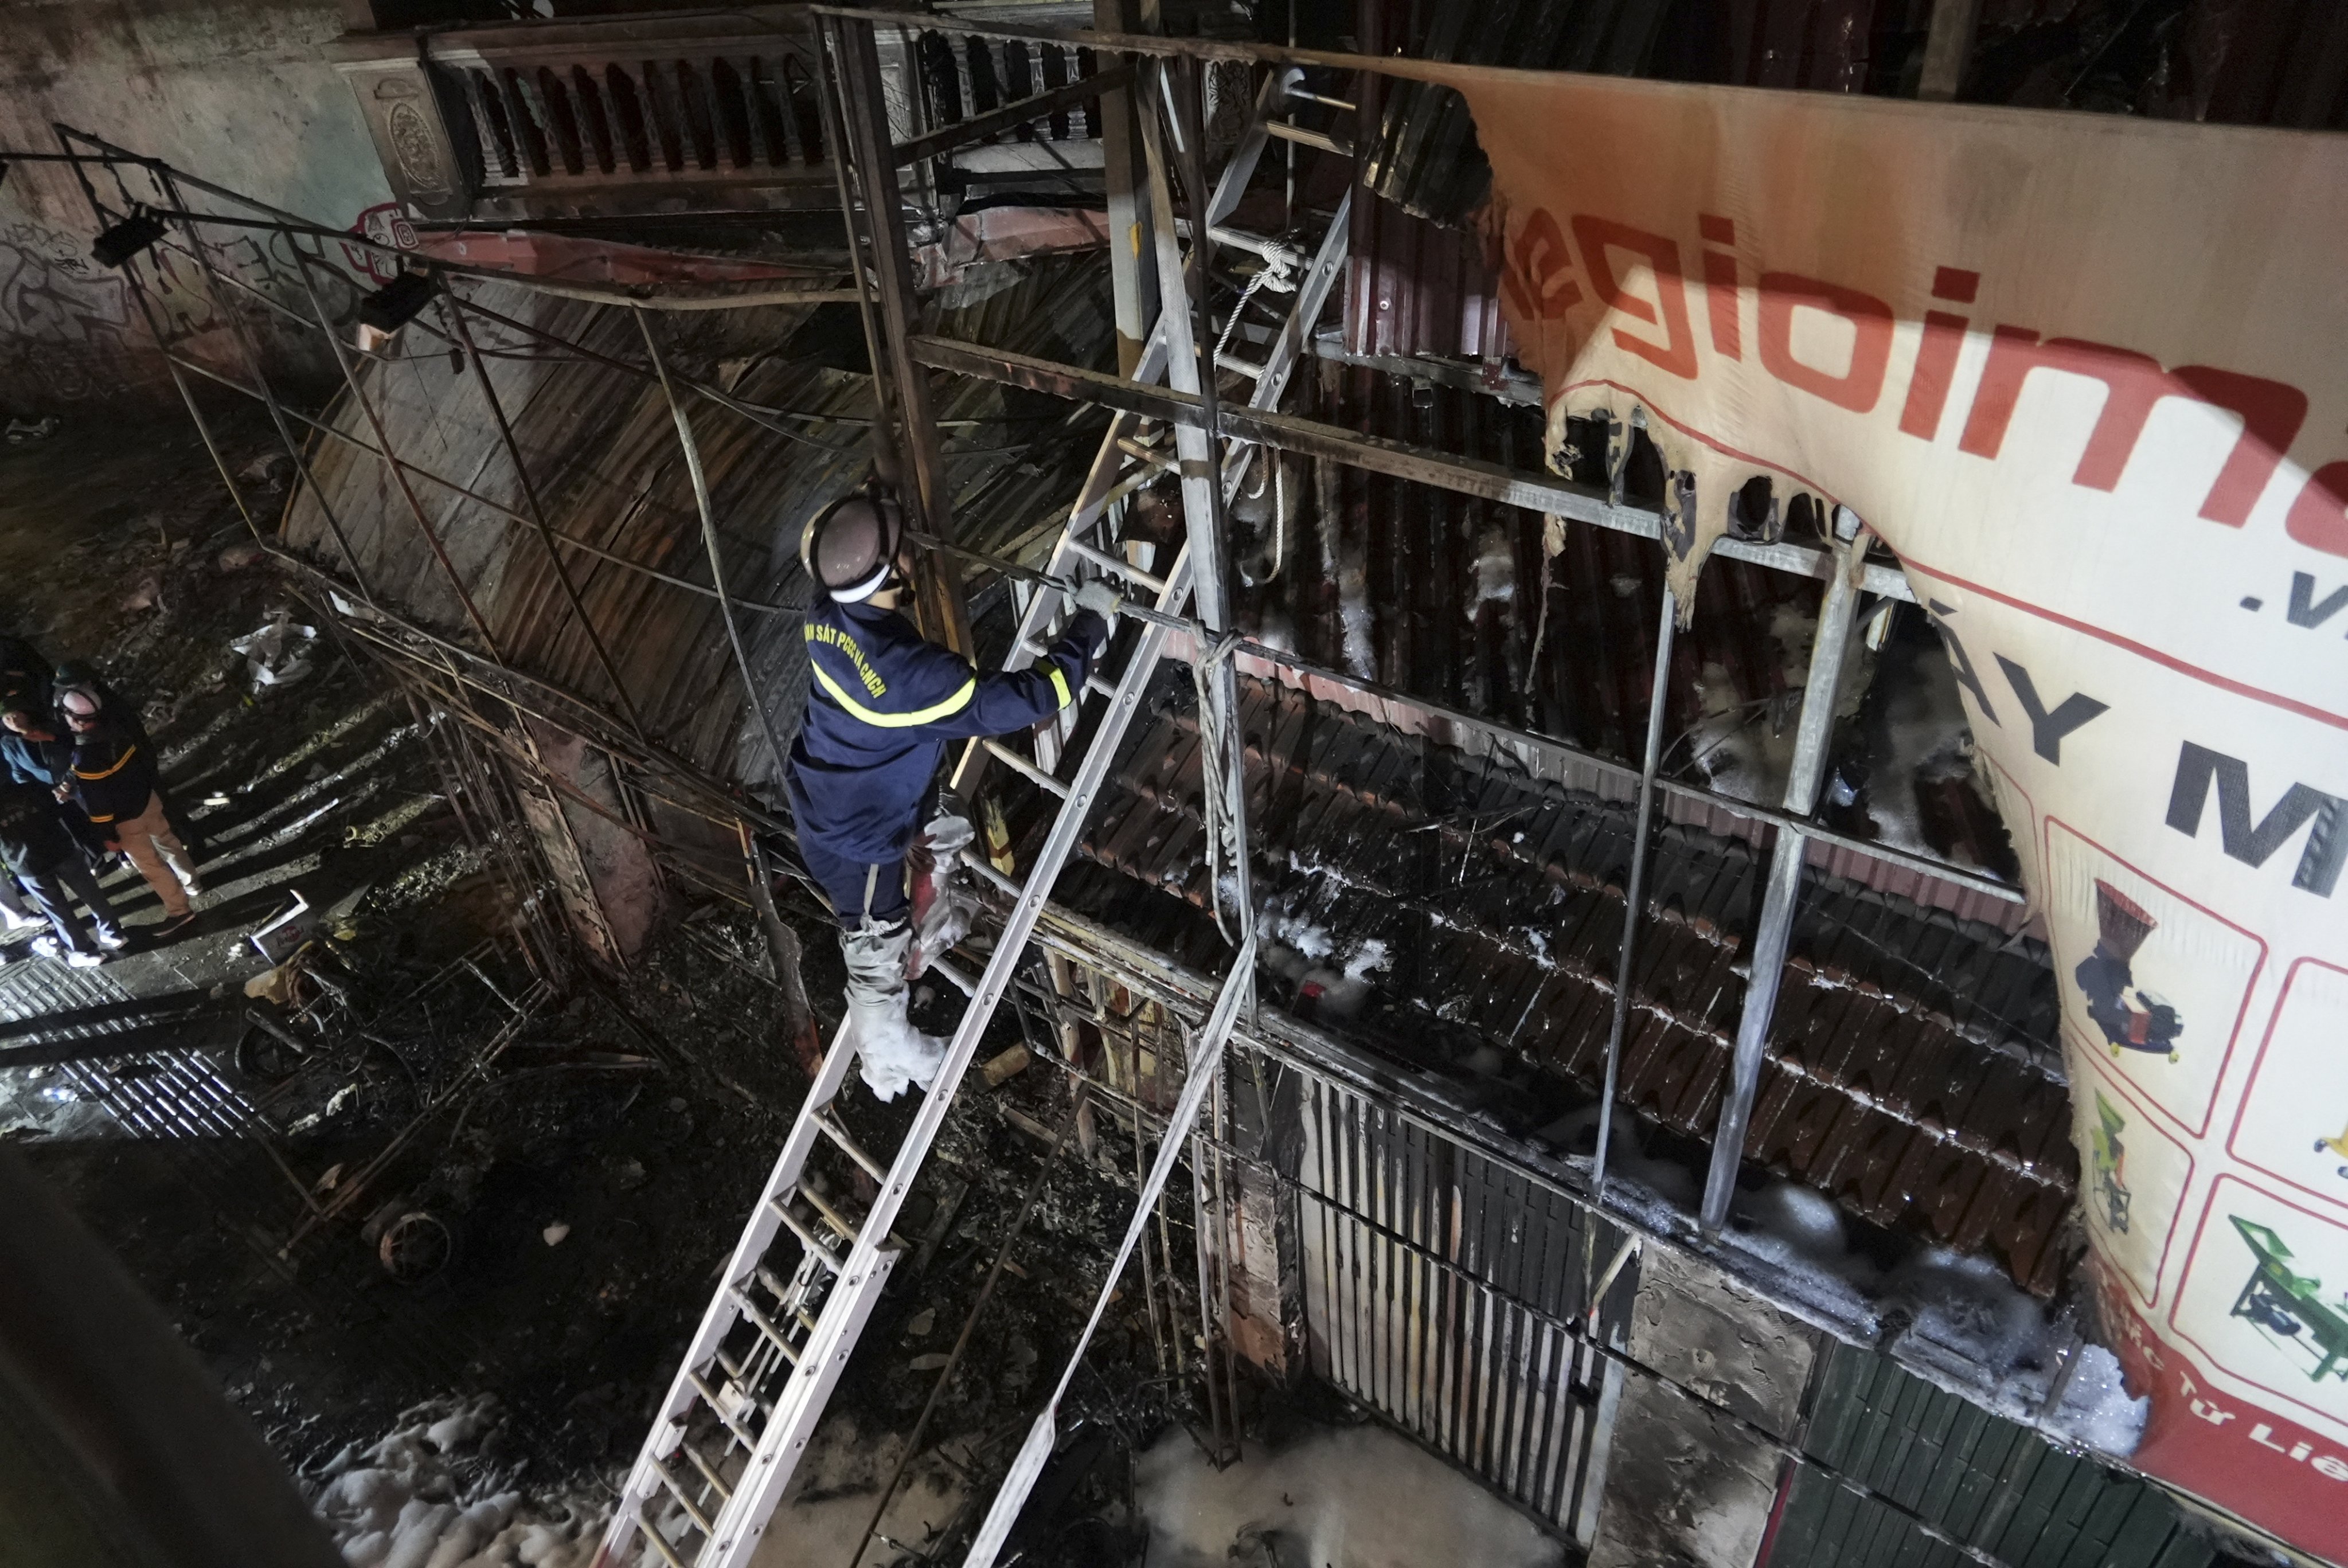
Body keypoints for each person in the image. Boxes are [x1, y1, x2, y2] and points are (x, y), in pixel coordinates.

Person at [786, 488, 1119, 1100]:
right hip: (856, 838)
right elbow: (1036, 697)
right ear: (888, 574)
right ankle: (889, 1055)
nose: (914, 555)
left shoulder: (825, 616)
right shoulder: (914, 681)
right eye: (904, 552)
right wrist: (1089, 625)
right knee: (872, 938)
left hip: (834, 790)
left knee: (944, 823)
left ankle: (927, 923)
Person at [58, 689, 202, 936]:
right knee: (169, 842)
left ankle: (180, 912)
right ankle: (193, 884)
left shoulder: (86, 757)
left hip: (127, 821)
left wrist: (109, 836)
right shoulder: (116, 732)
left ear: (76, 719)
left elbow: (98, 804)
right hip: (149, 802)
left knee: (152, 866)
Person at [0, 778, 123, 967]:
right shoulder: (30, 788)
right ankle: (114, 934)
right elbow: (57, 810)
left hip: (28, 865)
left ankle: (87, 953)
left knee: (59, 911)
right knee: (92, 893)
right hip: (61, 849)